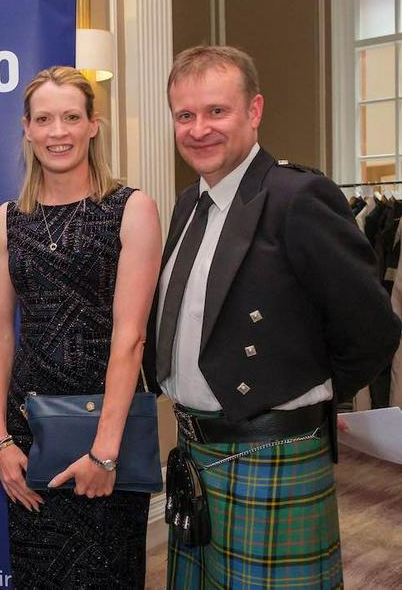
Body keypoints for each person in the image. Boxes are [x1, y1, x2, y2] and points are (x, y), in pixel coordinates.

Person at [142, 45, 401, 588]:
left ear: (254, 111)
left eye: (217, 111)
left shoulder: (297, 196)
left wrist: (312, 393)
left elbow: (372, 327)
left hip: (271, 451)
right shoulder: (189, 203)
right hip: (195, 448)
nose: (198, 129)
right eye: (185, 115)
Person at [0, 66, 161, 588]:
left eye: (70, 117)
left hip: (107, 431)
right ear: (27, 129)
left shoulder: (131, 209)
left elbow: (130, 338)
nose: (57, 131)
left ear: (92, 125)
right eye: (43, 119)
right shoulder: (7, 220)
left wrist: (104, 451)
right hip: (28, 434)